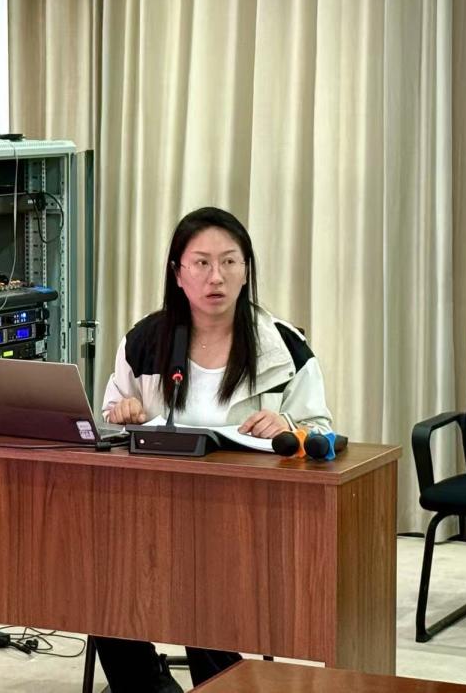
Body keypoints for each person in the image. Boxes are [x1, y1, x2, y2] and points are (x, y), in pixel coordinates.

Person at [94, 206, 333, 692]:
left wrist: (287, 426)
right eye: (201, 263)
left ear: (246, 270)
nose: (216, 277)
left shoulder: (283, 346)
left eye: (229, 262)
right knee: (98, 577)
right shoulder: (145, 340)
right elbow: (113, 412)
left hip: (247, 517)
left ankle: (219, 684)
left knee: (199, 574)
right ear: (177, 273)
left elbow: (323, 432)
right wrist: (124, 412)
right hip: (153, 508)